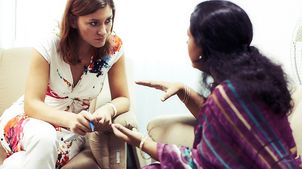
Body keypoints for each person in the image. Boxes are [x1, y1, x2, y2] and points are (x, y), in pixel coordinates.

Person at [111, 0, 302, 168]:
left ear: (206, 45)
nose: (187, 41)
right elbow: (224, 120)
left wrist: (140, 141)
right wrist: (184, 91)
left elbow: (199, 164)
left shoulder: (228, 94)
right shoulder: (256, 80)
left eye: (190, 36)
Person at [0, 0, 129, 168]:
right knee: (45, 138)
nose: (103, 31)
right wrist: (70, 119)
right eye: (93, 23)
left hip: (70, 134)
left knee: (24, 161)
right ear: (73, 21)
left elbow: (123, 98)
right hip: (32, 121)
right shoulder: (50, 43)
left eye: (108, 20)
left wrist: (107, 109)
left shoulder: (113, 47)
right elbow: (31, 105)